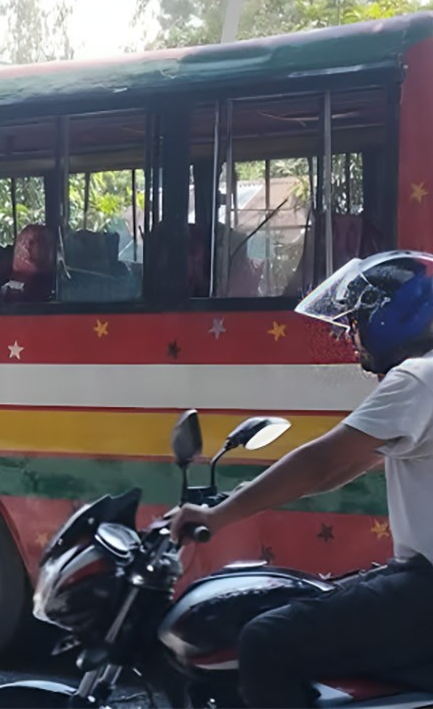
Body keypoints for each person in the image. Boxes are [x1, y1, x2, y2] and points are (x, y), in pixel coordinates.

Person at [169, 250, 433, 708]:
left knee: (266, 638)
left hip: (425, 586)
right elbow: (344, 467)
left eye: (358, 320)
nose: (351, 335)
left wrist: (219, 515)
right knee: (310, 596)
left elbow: (321, 462)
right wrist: (240, 498)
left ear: (397, 315)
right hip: (416, 575)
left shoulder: (417, 378)